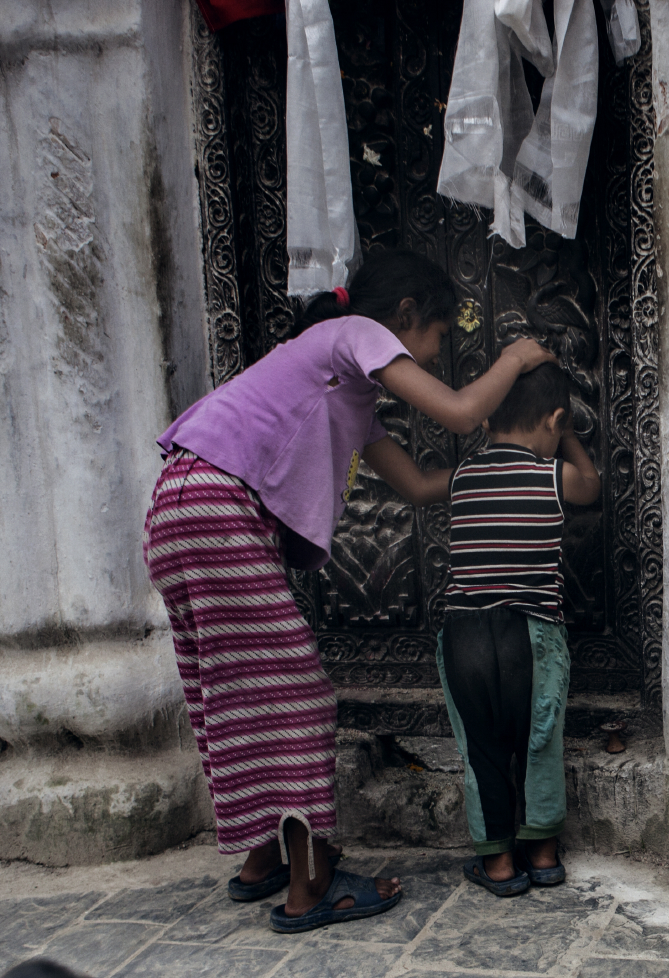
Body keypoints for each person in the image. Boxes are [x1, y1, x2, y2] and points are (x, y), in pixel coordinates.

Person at [142, 248, 552, 933]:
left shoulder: (346, 388)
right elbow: (456, 413)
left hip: (178, 501)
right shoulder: (349, 332)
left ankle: (263, 860)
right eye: (438, 336)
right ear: (406, 315)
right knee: (300, 694)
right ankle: (311, 887)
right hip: (219, 503)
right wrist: (514, 360)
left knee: (233, 687)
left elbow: (419, 484)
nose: (434, 353)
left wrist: (489, 474)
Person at [436, 361, 600, 895]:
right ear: (556, 419)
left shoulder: (461, 477)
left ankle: (499, 864)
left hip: (464, 637)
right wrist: (569, 435)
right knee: (539, 742)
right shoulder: (553, 475)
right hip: (530, 635)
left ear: (484, 422)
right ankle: (545, 855)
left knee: (480, 748)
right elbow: (592, 486)